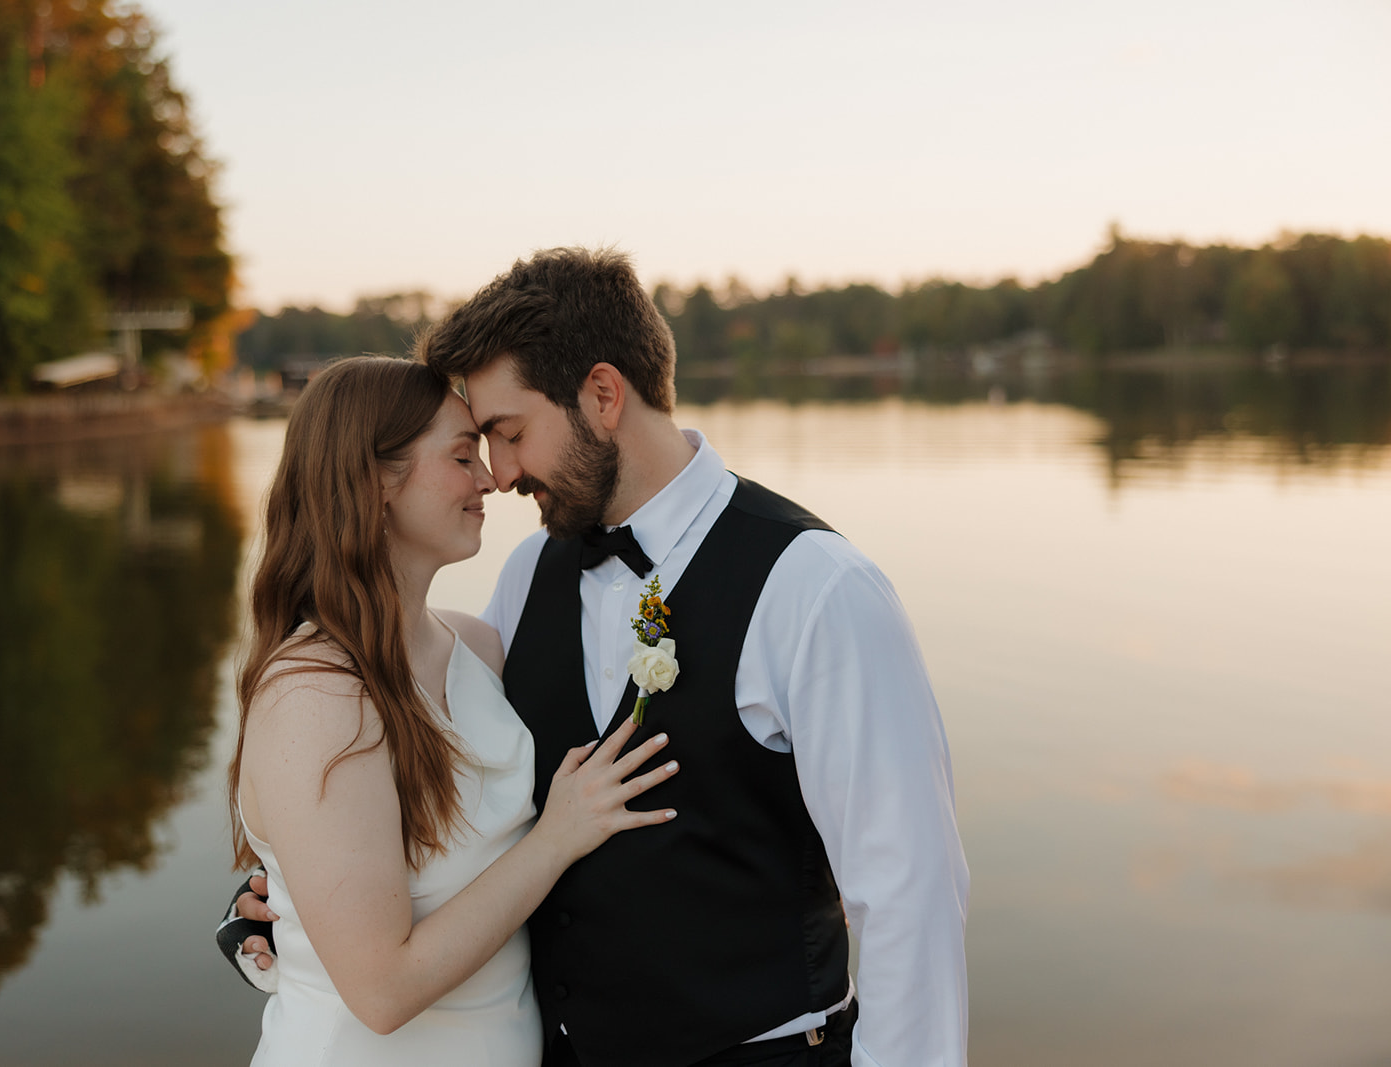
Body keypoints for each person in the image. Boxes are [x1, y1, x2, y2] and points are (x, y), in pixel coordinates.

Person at [225, 249, 971, 1067]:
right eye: (478, 446)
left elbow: (909, 895)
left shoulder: (818, 589)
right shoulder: (524, 579)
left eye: (509, 434)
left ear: (603, 396)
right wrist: (290, 904)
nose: (501, 474)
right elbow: (424, 786)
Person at [228, 355, 680, 1066]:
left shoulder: (479, 645)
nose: (492, 478)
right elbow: (380, 990)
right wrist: (556, 836)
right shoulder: (312, 694)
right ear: (377, 480)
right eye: (463, 455)